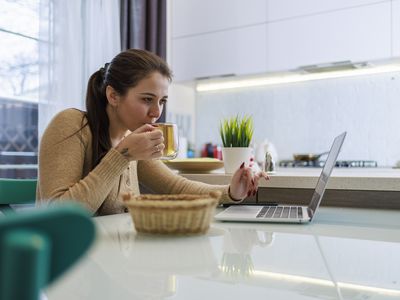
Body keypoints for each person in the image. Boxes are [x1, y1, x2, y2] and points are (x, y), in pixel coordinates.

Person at [36, 49, 268, 215]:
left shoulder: (131, 138)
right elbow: (58, 214)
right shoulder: (72, 124)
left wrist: (232, 192)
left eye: (162, 101)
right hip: (67, 268)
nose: (156, 112)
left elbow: (176, 187)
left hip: (113, 261)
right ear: (113, 95)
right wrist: (122, 155)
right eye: (147, 99)